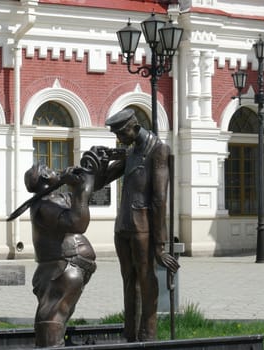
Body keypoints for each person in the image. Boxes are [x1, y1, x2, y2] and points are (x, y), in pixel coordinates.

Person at [93, 108, 179, 342]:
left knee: (145, 278)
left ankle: (148, 335)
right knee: (128, 279)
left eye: (120, 134)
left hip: (143, 227)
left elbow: (160, 199)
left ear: (132, 128)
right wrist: (100, 161)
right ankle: (130, 334)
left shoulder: (157, 150)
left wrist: (160, 245)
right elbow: (100, 181)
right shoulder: (131, 151)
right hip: (123, 227)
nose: (118, 140)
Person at [25, 163, 96, 348]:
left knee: (55, 317)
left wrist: (92, 167)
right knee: (51, 319)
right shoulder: (46, 205)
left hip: (68, 267)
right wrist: (83, 187)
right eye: (48, 168)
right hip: (62, 270)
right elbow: (77, 223)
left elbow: (91, 186)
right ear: (45, 177)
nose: (54, 169)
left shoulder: (58, 198)